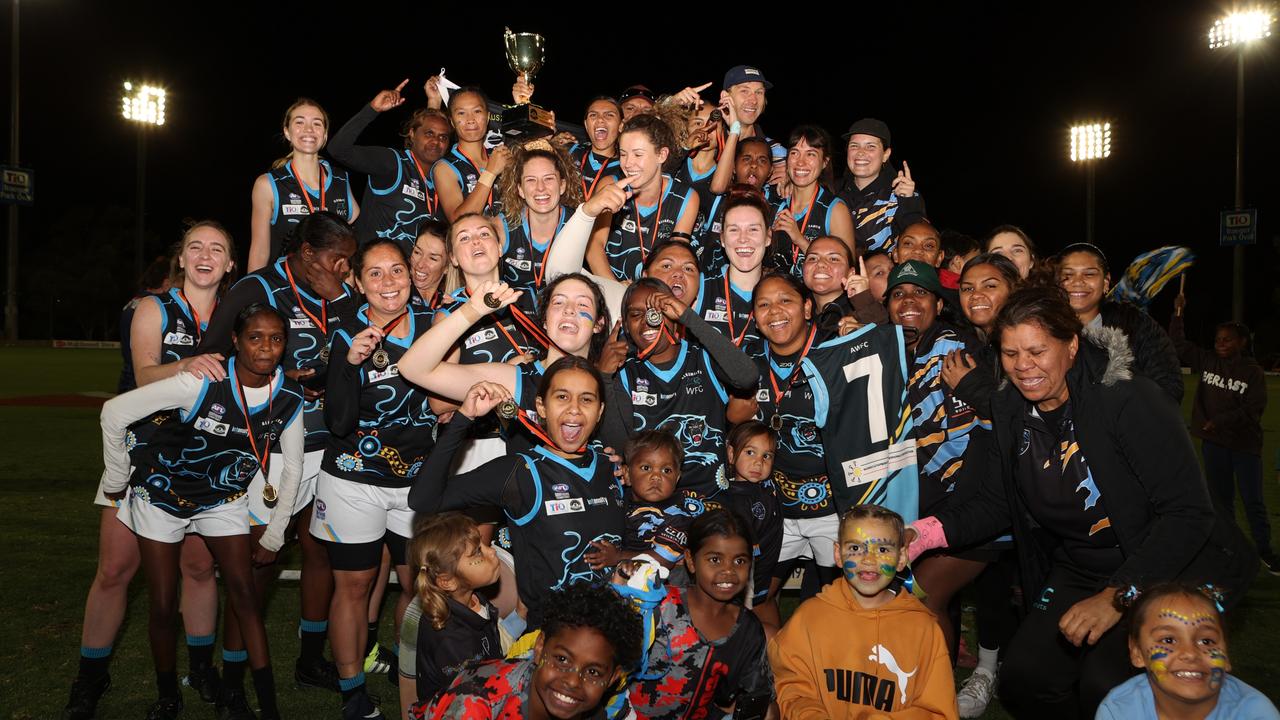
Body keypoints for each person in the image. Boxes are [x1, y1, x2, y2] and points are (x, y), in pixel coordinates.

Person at [908, 286, 1255, 719]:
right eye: (1011, 353)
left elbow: (1188, 514)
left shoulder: (1128, 399)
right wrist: (921, 534)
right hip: (1082, 564)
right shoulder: (1010, 409)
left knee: (1106, 682)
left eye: (1037, 351)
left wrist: (1116, 597)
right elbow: (998, 504)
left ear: (1071, 345)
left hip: (1167, 566)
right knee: (1024, 679)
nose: (1023, 367)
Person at [100, 303, 305, 720]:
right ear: (235, 341)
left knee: (246, 595)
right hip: (162, 496)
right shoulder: (200, 383)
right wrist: (117, 479)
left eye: (276, 338)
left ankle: (269, 709)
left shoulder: (288, 396)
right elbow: (113, 412)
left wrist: (274, 533)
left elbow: (294, 470)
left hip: (221, 500)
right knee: (161, 603)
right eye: (254, 337)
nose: (265, 348)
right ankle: (167, 695)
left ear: (285, 345)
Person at [63, 224, 234, 720]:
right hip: (144, 452)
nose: (205, 255)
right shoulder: (153, 308)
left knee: (199, 568)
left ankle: (200, 668)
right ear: (181, 259)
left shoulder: (236, 313)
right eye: (195, 247)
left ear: (229, 265)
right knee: (116, 570)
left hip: (209, 459)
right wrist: (192, 364)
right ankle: (90, 676)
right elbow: (144, 373)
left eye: (216, 249)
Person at [197, 210, 358, 698]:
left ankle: (310, 661)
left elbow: (355, 357)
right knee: (258, 564)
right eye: (339, 260)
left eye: (350, 262)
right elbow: (212, 355)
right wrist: (278, 382)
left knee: (320, 551)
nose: (345, 271)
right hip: (270, 450)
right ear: (307, 253)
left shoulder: (344, 296)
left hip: (327, 443)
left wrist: (328, 365)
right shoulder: (257, 289)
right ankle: (233, 677)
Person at [310, 239, 438, 720]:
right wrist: (348, 365)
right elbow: (338, 423)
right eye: (377, 274)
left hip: (417, 483)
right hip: (352, 480)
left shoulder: (434, 326)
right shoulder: (343, 332)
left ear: (412, 275)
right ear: (358, 283)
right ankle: (352, 690)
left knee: (419, 583)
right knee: (356, 585)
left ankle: (414, 675)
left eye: (398, 271)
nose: (390, 283)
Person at [409, 359, 626, 628]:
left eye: (587, 399)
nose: (574, 409)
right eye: (562, 397)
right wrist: (463, 419)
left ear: (600, 410)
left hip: (615, 623)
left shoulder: (611, 467)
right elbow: (424, 499)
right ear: (541, 407)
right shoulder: (520, 472)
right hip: (554, 636)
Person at [883, 261, 993, 663]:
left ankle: (937, 698)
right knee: (924, 600)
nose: (908, 301)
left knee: (924, 598)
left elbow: (961, 449)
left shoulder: (951, 350)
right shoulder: (902, 349)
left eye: (920, 293)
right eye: (899, 294)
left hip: (972, 509)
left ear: (938, 304)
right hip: (930, 506)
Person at [769, 505, 957, 719]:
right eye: (856, 549)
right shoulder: (809, 618)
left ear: (902, 557)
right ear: (838, 554)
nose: (869, 560)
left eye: (883, 550)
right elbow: (789, 684)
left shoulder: (924, 630)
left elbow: (937, 711)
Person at [938, 252, 1023, 717]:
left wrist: (974, 391)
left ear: (1015, 289)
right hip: (986, 496)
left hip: (1037, 495)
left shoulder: (1026, 340)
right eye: (968, 287)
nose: (977, 295)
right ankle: (987, 670)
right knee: (991, 587)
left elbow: (1031, 414)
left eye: (990, 285)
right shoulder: (971, 344)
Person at [726, 273, 840, 605]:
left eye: (785, 300)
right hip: (775, 508)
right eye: (763, 304)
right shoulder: (746, 361)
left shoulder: (835, 352)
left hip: (831, 510)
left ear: (807, 308)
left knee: (835, 606)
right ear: (755, 318)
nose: (774, 311)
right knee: (756, 598)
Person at [611, 278, 759, 497]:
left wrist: (688, 318)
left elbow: (747, 377)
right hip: (654, 506)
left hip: (713, 502)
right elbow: (617, 445)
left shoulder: (703, 357)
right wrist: (604, 376)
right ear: (625, 325)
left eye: (657, 311)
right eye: (635, 315)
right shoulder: (624, 371)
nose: (648, 320)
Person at [409, 583, 643, 720]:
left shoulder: (585, 707)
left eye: (593, 672)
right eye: (562, 659)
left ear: (612, 678)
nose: (572, 681)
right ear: (539, 648)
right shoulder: (476, 703)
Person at [627, 509, 775, 719]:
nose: (728, 571)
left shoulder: (747, 629)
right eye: (715, 559)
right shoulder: (658, 605)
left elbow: (757, 697)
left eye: (739, 561)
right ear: (690, 560)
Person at [1170, 292, 1277, 573]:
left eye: (1227, 340)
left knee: (1252, 501)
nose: (1221, 344)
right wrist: (1178, 313)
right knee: (1221, 501)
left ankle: (1265, 551)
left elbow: (1253, 409)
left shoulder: (1252, 372)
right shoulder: (1207, 361)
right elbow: (1179, 344)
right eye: (1218, 340)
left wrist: (1219, 421)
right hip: (1214, 445)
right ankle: (1230, 550)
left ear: (1242, 342)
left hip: (1244, 446)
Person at [1097, 583, 1280, 720]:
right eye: (1168, 640)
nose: (1190, 653)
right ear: (1137, 652)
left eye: (1206, 641)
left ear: (1226, 655)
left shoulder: (1256, 714)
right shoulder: (1118, 711)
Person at [328, 77, 451, 249]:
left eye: (443, 138)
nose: (436, 142)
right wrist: (372, 109)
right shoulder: (393, 163)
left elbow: (430, 127)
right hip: (377, 270)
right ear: (412, 134)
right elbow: (338, 149)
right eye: (429, 134)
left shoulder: (445, 178)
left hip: (421, 272)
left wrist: (434, 102)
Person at [1055, 242, 1183, 402]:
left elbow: (1169, 387)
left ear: (1106, 282)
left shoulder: (1137, 326)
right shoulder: (1042, 330)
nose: (1078, 282)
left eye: (1089, 274)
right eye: (1067, 275)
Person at [587, 113, 699, 283]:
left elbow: (677, 259)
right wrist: (615, 291)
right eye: (623, 154)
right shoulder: (610, 186)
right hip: (608, 286)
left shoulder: (686, 198)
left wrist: (643, 293)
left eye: (638, 155)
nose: (628, 163)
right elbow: (594, 247)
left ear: (661, 155)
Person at [250, 98, 358, 272]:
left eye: (317, 124)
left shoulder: (340, 180)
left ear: (324, 135)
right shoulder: (268, 184)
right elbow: (259, 251)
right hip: (285, 292)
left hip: (329, 290)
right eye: (299, 122)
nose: (309, 129)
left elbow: (351, 233)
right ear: (287, 132)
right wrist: (252, 296)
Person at [408, 512, 504, 705]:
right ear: (448, 581)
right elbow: (471, 702)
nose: (492, 551)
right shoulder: (452, 642)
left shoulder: (473, 600)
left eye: (485, 544)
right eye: (477, 551)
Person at [584, 429, 693, 571]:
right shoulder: (620, 498)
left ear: (677, 478)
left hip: (666, 581)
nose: (656, 476)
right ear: (627, 474)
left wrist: (618, 556)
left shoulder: (678, 515)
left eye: (666, 470)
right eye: (646, 468)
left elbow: (663, 560)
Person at [496, 146, 583, 293]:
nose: (540, 188)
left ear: (562, 185)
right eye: (531, 180)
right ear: (520, 190)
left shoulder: (579, 224)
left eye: (548, 179)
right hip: (513, 314)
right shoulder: (503, 226)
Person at [769, 125, 854, 276]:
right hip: (777, 293)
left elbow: (846, 270)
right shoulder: (774, 199)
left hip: (816, 297)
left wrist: (799, 239)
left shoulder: (835, 209)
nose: (800, 162)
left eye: (811, 154)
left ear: (824, 162)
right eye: (795, 153)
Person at [694, 192, 772, 349]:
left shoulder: (784, 292)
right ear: (722, 239)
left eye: (753, 230)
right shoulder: (699, 287)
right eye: (734, 230)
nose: (743, 238)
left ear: (768, 237)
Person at [834, 118, 925, 253]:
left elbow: (919, 246)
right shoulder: (833, 191)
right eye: (854, 145)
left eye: (870, 146)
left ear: (885, 154)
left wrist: (908, 202)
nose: (860, 152)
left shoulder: (901, 194)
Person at [433, 87, 508, 220]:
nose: (470, 119)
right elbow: (458, 220)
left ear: (488, 116)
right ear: (452, 121)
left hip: (508, 239)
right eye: (461, 113)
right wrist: (490, 172)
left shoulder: (501, 157)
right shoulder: (444, 167)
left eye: (477, 111)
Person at [569, 97, 624, 201]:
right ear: (586, 125)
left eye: (609, 115)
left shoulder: (626, 167)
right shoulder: (570, 151)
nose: (600, 119)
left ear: (621, 125)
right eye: (593, 115)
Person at [409, 219, 453, 310]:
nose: (420, 264)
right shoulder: (396, 295)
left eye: (433, 258)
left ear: (447, 267)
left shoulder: (446, 304)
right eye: (417, 252)